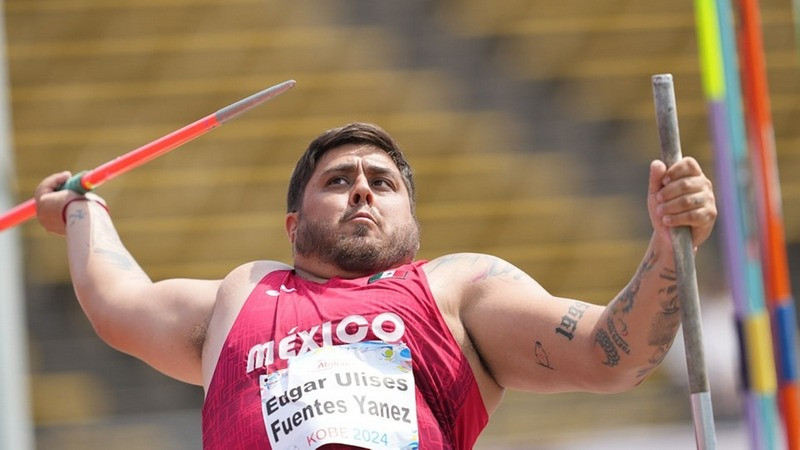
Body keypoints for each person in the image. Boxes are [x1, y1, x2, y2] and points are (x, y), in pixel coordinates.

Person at [34, 122, 717, 449]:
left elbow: (612, 355)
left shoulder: (457, 288)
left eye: (381, 183)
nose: (362, 187)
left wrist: (666, 246)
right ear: (294, 222)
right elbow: (118, 302)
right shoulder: (241, 294)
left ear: (411, 222)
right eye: (338, 180)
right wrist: (80, 209)